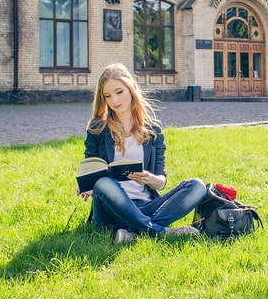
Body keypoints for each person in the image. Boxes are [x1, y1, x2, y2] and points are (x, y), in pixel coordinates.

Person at [79, 63, 206, 243]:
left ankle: (131, 231)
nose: (114, 100)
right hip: (109, 209)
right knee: (104, 183)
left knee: (196, 186)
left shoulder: (153, 130)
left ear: (131, 89)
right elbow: (90, 168)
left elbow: (161, 182)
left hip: (145, 205)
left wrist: (149, 179)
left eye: (119, 92)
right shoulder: (97, 127)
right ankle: (158, 232)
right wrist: (87, 185)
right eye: (107, 96)